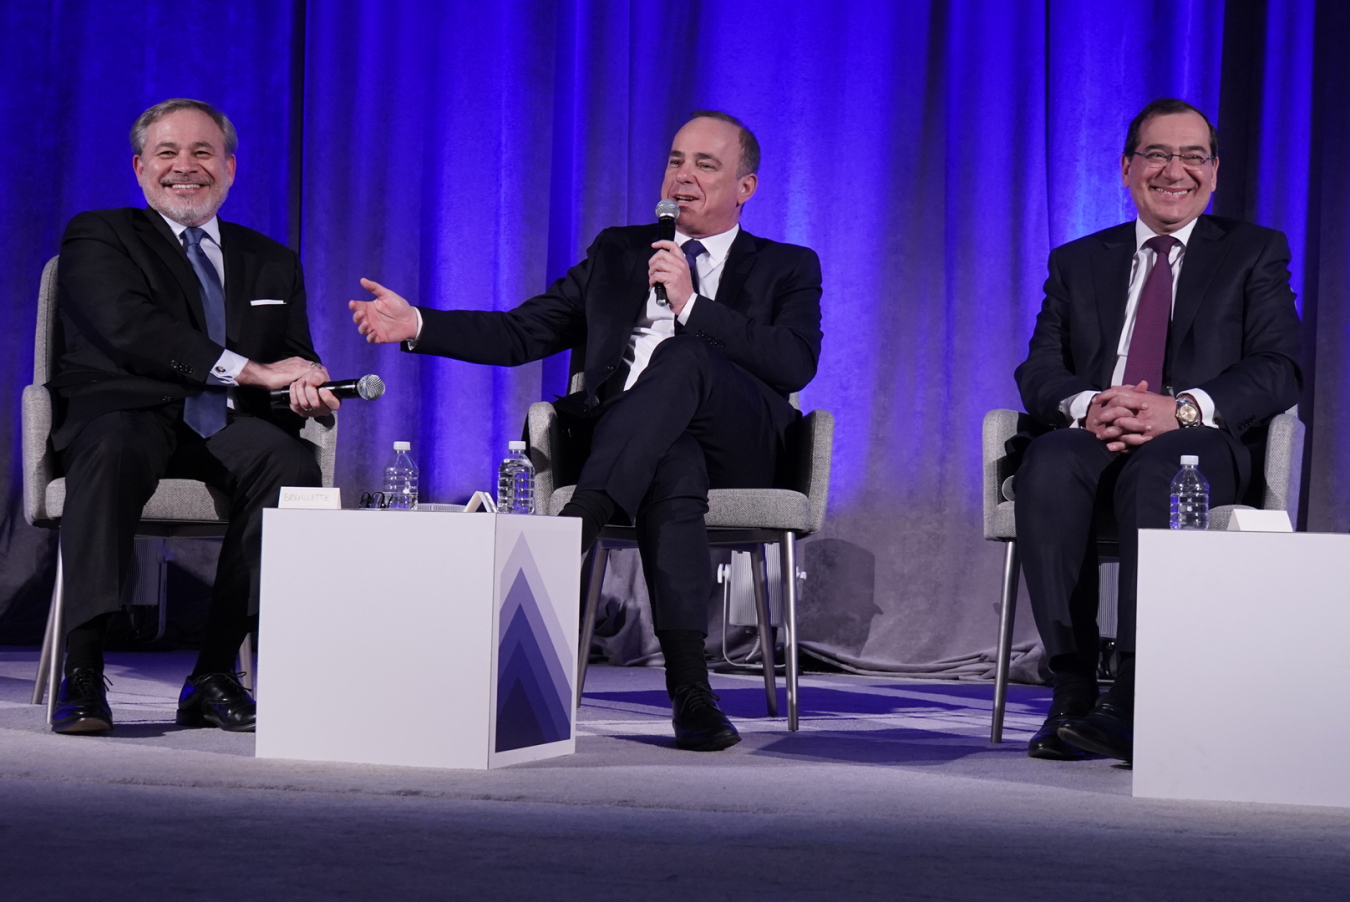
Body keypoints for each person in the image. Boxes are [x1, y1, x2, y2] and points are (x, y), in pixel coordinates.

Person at [350, 111, 823, 752]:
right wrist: (421, 326)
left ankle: (574, 530)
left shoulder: (788, 264)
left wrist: (692, 307)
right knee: (671, 458)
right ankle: (691, 692)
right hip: (640, 447)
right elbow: (524, 331)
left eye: (705, 166)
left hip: (741, 443)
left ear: (747, 187)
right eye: (676, 162)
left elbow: (794, 362)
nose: (683, 177)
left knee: (682, 357)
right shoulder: (620, 252)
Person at [1014, 98, 1301, 762]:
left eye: (1193, 156)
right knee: (1049, 463)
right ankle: (1073, 689)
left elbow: (1279, 367)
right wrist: (1089, 405)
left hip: (1199, 438)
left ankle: (1139, 694)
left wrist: (1185, 409)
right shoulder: (1078, 260)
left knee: (1165, 468)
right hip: (1099, 432)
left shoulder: (1254, 252)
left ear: (1215, 171)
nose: (1176, 170)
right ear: (1125, 168)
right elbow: (1038, 368)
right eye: (1159, 154)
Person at [49, 98, 340, 735]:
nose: (186, 167)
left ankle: (212, 675)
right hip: (126, 412)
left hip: (224, 424)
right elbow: (132, 331)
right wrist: (252, 370)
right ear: (139, 168)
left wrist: (307, 380)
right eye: (168, 153)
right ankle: (83, 667)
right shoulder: (100, 235)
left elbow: (293, 353)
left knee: (290, 465)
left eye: (203, 153)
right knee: (115, 447)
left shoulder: (272, 260)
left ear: (230, 168)